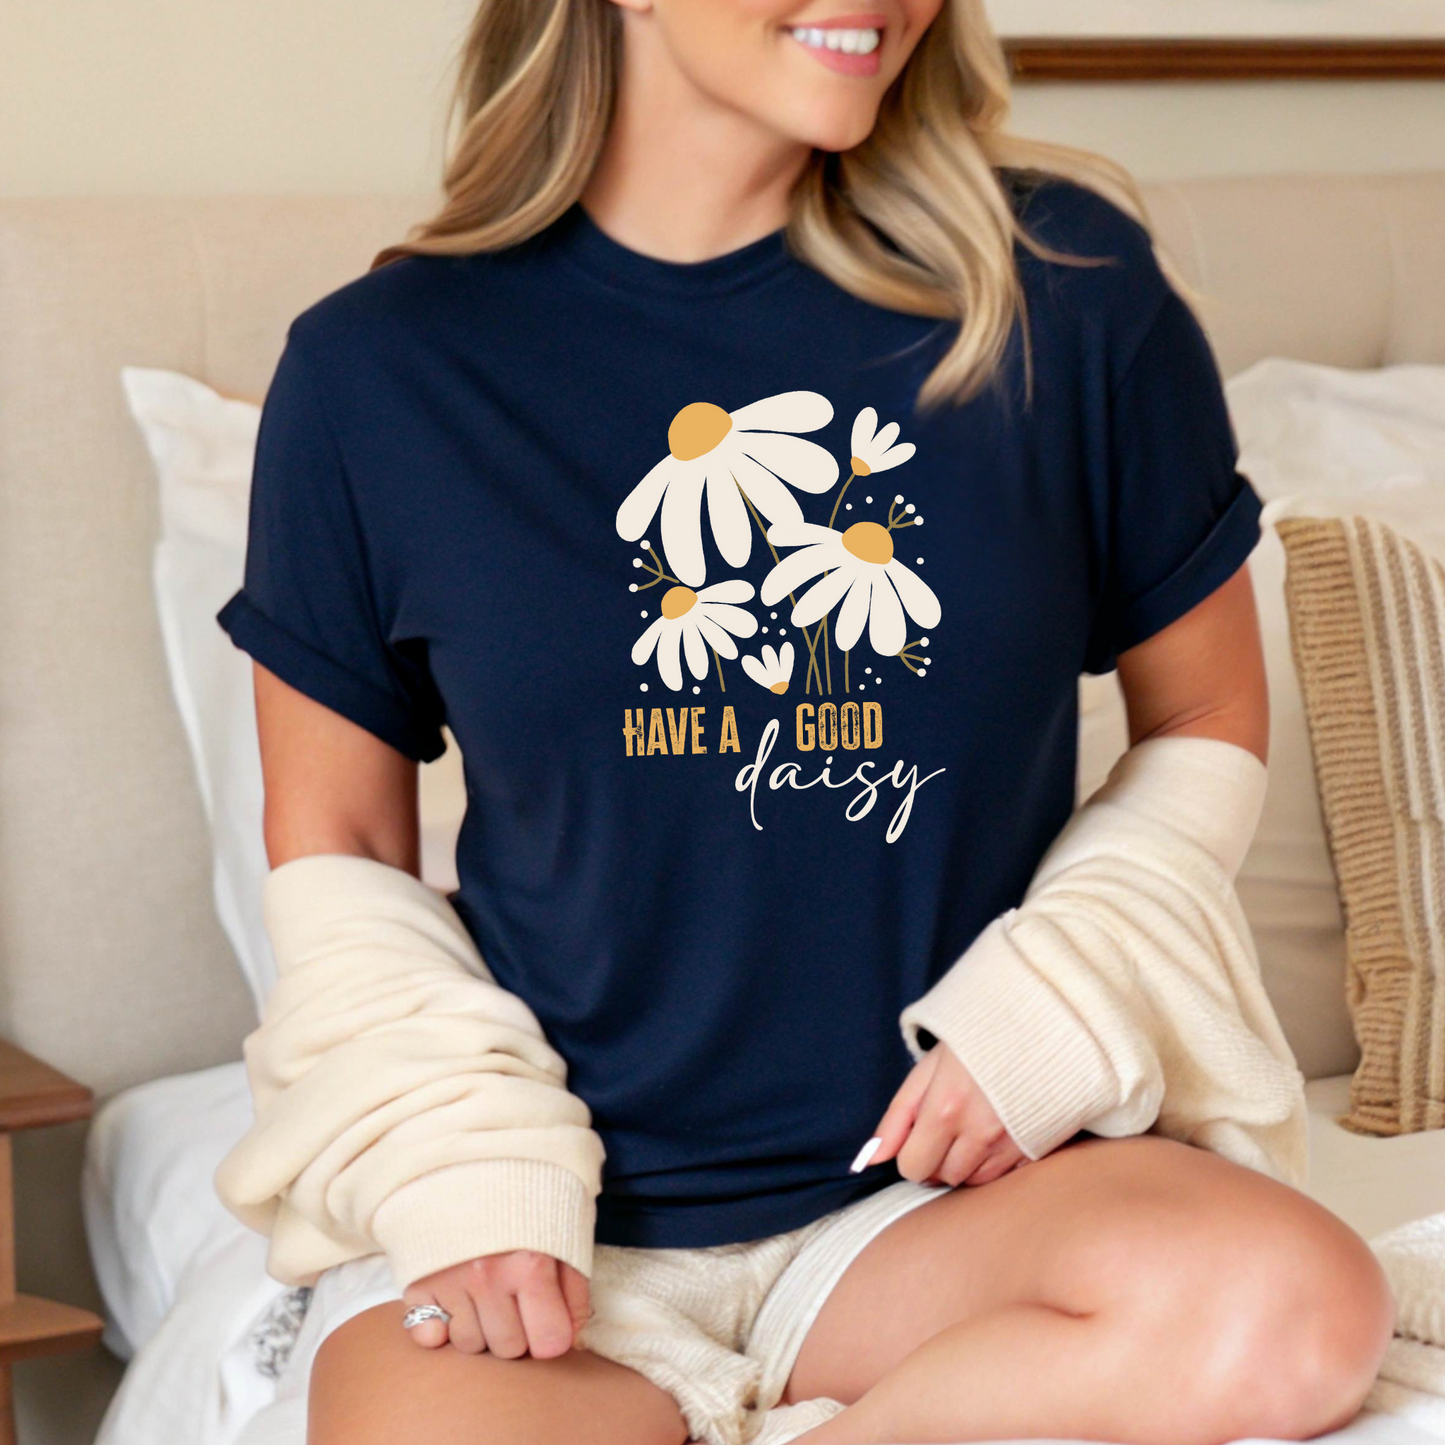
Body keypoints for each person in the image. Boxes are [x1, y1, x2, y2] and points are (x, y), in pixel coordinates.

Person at [215, 1, 1397, 1443]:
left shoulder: (1064, 295)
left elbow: (1205, 708)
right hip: (559, 1241)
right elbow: (336, 843)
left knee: (1295, 1305)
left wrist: (1066, 993)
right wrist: (459, 1172)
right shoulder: (377, 373)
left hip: (944, 1213)